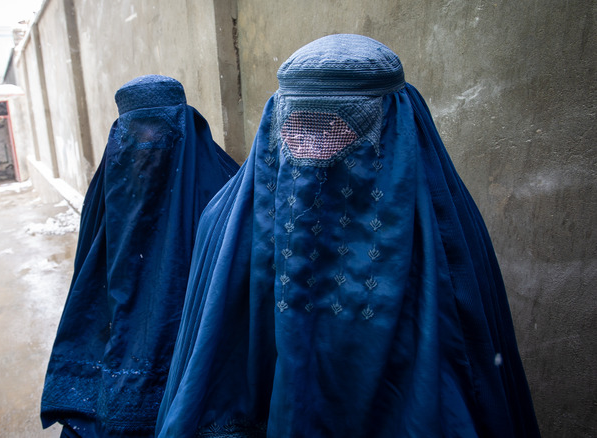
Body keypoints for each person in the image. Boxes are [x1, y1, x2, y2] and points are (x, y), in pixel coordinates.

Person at [156, 35, 540, 437]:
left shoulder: (444, 241)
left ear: (393, 126)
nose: (311, 148)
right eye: (298, 127)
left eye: (334, 126)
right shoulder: (225, 227)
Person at [40, 75, 239, 437]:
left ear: (182, 123)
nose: (148, 141)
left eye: (159, 128)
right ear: (120, 134)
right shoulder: (108, 188)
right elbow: (89, 273)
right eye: (137, 131)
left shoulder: (225, 184)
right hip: (125, 327)